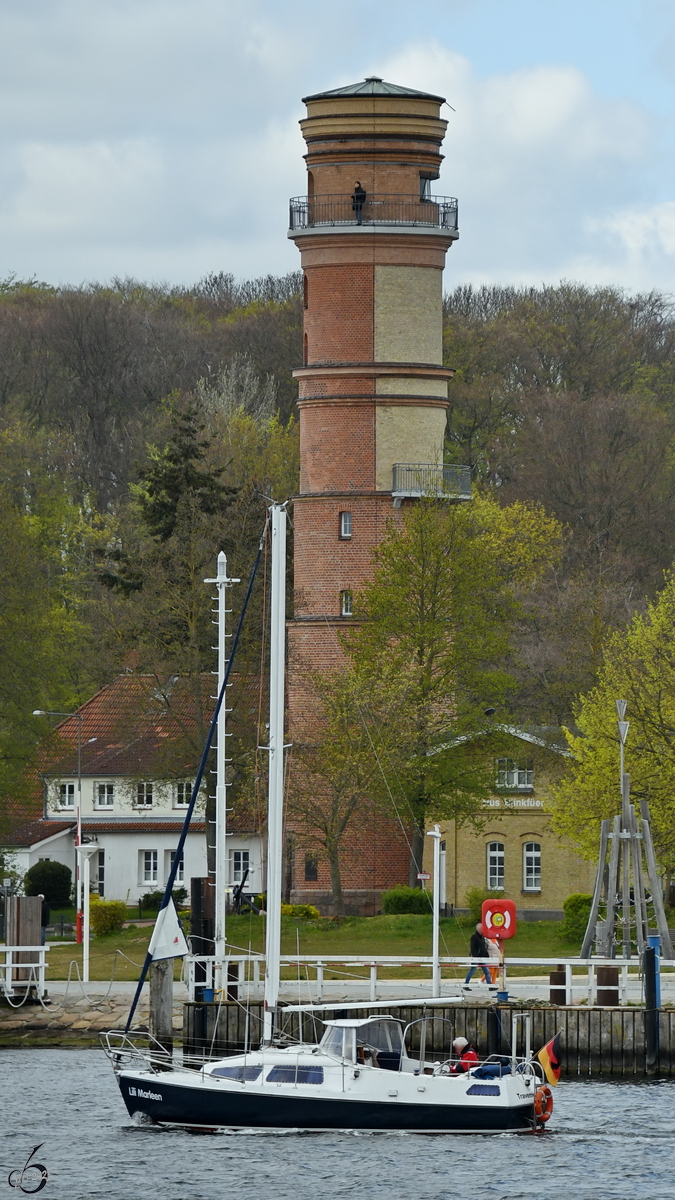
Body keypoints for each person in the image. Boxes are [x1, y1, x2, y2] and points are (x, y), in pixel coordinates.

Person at [463, 922, 493, 989]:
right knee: (472, 971)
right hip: (476, 958)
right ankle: (466, 984)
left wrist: (486, 955)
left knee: (487, 972)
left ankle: (490, 985)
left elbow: (483, 947)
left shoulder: (482, 937)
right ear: (479, 929)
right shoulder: (474, 937)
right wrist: (476, 957)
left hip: (482, 958)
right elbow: (473, 948)